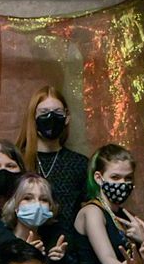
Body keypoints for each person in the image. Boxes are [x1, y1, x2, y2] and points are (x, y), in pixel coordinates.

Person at [14, 85, 89, 238]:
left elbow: (90, 210)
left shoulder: (80, 164)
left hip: (68, 245)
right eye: (44, 112)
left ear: (67, 117)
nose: (51, 117)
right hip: (25, 243)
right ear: (33, 117)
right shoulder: (17, 161)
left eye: (57, 112)